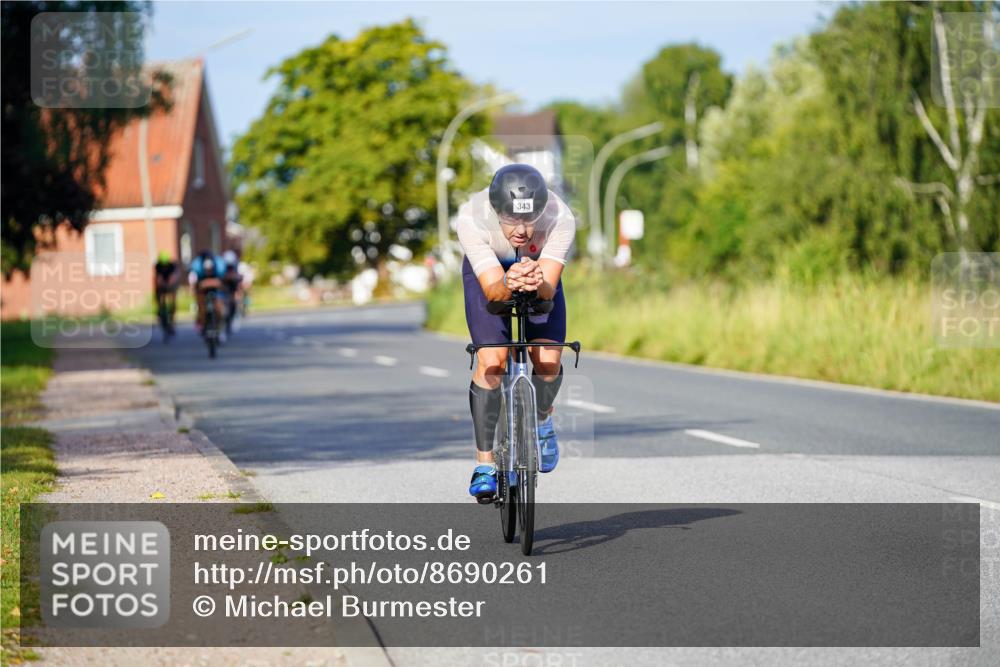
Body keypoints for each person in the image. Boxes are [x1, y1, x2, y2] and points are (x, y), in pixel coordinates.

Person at [455, 164, 576, 501]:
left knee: (549, 361)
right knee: (492, 361)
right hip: (490, 274)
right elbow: (493, 292)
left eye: (530, 219)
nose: (522, 231)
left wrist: (537, 284)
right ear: (495, 211)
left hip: (540, 274)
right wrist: (508, 282)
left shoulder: (560, 218)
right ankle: (485, 463)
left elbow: (548, 290)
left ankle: (541, 421)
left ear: (542, 209)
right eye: (511, 220)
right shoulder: (471, 217)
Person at [188, 249, 228, 341]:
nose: (208, 271)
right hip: (202, 286)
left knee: (219, 308)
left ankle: (219, 328)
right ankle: (202, 322)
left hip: (216, 289)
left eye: (210, 270)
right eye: (206, 270)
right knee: (201, 305)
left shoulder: (219, 266)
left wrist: (211, 283)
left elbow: (222, 282)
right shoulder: (197, 267)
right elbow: (194, 282)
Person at [153, 251, 180, 335]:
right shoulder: (158, 266)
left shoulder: (172, 265)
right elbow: (158, 278)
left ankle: (172, 316)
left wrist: (169, 284)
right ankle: (160, 312)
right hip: (162, 285)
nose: (164, 267)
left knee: (172, 300)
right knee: (160, 299)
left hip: (170, 284)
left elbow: (173, 278)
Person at [221, 250, 243, 332]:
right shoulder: (222, 269)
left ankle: (229, 322)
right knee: (224, 305)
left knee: (233, 305)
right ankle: (223, 322)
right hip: (224, 289)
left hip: (232, 289)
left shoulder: (236, 267)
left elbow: (239, 278)